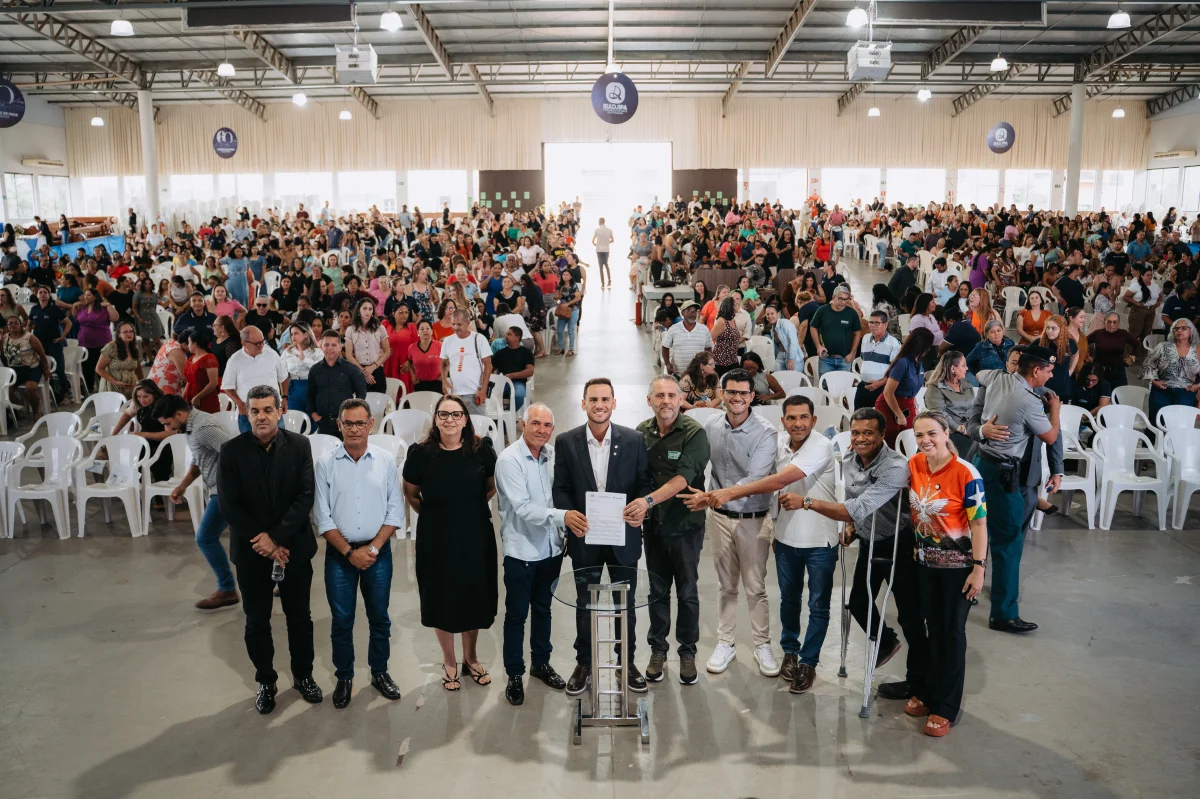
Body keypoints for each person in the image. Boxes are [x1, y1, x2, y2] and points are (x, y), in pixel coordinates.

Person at [690, 396, 838, 694]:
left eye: (804, 417)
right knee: (788, 600)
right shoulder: (779, 442)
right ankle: (789, 652)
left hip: (819, 540)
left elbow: (778, 481)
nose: (798, 423)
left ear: (814, 420)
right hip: (785, 537)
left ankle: (807, 662)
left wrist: (727, 493)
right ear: (783, 421)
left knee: (817, 605)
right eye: (791, 418)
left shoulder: (820, 446)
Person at [793, 407, 927, 703]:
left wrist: (807, 502)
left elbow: (858, 507)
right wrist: (853, 529)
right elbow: (855, 502)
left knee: (910, 615)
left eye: (868, 433)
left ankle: (920, 682)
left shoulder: (895, 466)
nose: (861, 439)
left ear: (882, 435)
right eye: (855, 433)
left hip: (898, 542)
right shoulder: (851, 459)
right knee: (857, 602)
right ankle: (886, 642)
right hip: (870, 540)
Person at [216, 385, 319, 715]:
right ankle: (266, 680)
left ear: (280, 411)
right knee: (256, 621)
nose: (261, 416)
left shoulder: (300, 445)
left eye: (268, 410)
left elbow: (305, 496)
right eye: (255, 410)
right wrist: (264, 541)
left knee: (300, 618)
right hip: (252, 552)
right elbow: (230, 505)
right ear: (247, 413)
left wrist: (275, 539)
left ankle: (303, 676)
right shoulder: (231, 451)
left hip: (293, 548)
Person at [552, 377, 655, 695]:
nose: (599, 405)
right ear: (583, 403)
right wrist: (569, 514)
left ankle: (627, 662)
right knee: (585, 604)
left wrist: (642, 507)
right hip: (585, 537)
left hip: (623, 536)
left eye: (605, 399)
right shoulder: (566, 442)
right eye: (593, 399)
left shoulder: (634, 440)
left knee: (626, 604)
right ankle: (584, 663)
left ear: (614, 403)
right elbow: (561, 488)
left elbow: (645, 483)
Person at [681, 368, 780, 677]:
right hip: (720, 518)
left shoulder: (766, 432)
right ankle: (726, 643)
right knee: (726, 586)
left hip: (753, 520)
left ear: (752, 396)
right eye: (732, 392)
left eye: (743, 393)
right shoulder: (712, 426)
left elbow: (755, 479)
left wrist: (711, 497)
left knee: (755, 587)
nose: (737, 398)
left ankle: (762, 645)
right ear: (722, 394)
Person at [402, 395, 499, 692]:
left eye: (456, 414)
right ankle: (449, 660)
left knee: (473, 593)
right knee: (440, 595)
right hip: (436, 536)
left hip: (475, 533)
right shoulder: (420, 454)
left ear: (465, 419)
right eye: (443, 414)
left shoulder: (481, 450)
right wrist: (435, 514)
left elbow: (491, 486)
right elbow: (411, 493)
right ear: (435, 419)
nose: (450, 420)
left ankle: (471, 657)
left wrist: (467, 508)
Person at [314, 399, 405, 709]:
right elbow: (322, 517)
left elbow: (395, 511)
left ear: (371, 425)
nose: (354, 429)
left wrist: (373, 548)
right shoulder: (325, 463)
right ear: (339, 425)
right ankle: (344, 677)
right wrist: (349, 552)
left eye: (360, 423)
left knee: (379, 617)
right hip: (340, 556)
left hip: (378, 553)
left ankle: (380, 672)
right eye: (348, 423)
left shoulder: (385, 461)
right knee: (342, 620)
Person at [966, 345, 1061, 634]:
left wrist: (983, 426)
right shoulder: (1028, 401)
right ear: (1036, 370)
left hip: (981, 465)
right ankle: (1004, 614)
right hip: (1003, 474)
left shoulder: (996, 377)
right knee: (1008, 543)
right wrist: (1056, 411)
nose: (1051, 375)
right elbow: (1051, 436)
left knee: (974, 533)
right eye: (1049, 370)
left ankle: (966, 592)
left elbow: (978, 376)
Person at [906, 411, 989, 737]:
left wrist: (979, 569)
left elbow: (979, 525)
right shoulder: (914, 464)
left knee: (951, 633)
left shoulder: (966, 473)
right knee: (931, 631)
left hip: (958, 569)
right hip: (924, 565)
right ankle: (927, 691)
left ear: (946, 434)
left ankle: (945, 706)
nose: (925, 440)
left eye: (932, 433)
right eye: (919, 435)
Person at [627, 376, 711, 686]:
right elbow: (635, 476)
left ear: (680, 399)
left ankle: (687, 652)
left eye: (671, 395)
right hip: (654, 527)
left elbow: (683, 478)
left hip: (684, 526)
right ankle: (658, 650)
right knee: (657, 590)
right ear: (649, 400)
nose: (666, 401)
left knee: (687, 591)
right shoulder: (641, 432)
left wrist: (647, 501)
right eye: (659, 395)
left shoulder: (694, 433)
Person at [494, 402, 572, 706]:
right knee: (516, 615)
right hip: (522, 551)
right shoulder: (509, 460)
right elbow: (524, 508)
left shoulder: (551, 455)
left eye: (547, 425)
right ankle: (515, 673)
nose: (541, 430)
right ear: (522, 424)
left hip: (551, 549)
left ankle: (541, 663)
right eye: (535, 423)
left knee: (543, 609)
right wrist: (565, 517)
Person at [153, 395, 239, 609]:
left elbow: (237, 454)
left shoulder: (203, 428)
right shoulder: (192, 427)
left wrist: (234, 489)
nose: (168, 428)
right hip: (222, 489)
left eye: (168, 423)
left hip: (227, 490)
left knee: (205, 537)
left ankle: (227, 589)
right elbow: (200, 459)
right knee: (249, 539)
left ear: (179, 414)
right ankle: (279, 578)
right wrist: (183, 486)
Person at [222, 326, 289, 434]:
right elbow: (227, 387)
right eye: (257, 343)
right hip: (249, 412)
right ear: (244, 343)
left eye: (262, 342)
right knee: (251, 443)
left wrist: (284, 397)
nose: (261, 346)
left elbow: (284, 377)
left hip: (273, 409)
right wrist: (240, 404)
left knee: (279, 441)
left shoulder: (272, 354)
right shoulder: (235, 360)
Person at [877, 328, 933, 447]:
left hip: (908, 404)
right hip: (890, 406)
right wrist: (899, 414)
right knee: (893, 443)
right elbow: (888, 393)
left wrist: (914, 403)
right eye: (928, 346)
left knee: (910, 442)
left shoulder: (918, 362)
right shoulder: (902, 363)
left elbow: (912, 386)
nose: (929, 349)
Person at [307, 329, 368, 437]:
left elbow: (361, 393)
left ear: (340, 347)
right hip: (323, 421)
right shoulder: (314, 370)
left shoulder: (352, 369)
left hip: (346, 422)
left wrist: (352, 415)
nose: (330, 348)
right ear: (321, 346)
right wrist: (314, 415)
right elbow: (310, 394)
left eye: (334, 345)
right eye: (326, 345)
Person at [1142, 318, 1200, 424]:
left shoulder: (1197, 350)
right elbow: (1147, 365)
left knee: (1179, 422)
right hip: (1162, 389)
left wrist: (1197, 386)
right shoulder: (1163, 347)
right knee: (1158, 420)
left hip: (1186, 390)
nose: (1179, 331)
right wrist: (1154, 381)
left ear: (1191, 331)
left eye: (1183, 328)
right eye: (1176, 329)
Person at [439, 309, 493, 414]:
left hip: (475, 393)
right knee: (456, 424)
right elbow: (444, 364)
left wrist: (483, 390)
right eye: (453, 324)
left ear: (468, 323)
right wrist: (444, 381)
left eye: (459, 324)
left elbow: (488, 365)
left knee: (476, 424)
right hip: (454, 394)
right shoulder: (447, 341)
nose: (455, 327)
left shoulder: (479, 339)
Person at [1, 315, 52, 417]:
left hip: (31, 368)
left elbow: (42, 354)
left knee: (30, 388)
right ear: (7, 325)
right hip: (15, 370)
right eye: (10, 323)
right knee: (5, 390)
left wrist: (46, 368)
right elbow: (2, 355)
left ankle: (36, 411)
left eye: (16, 323)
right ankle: (18, 410)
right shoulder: (4, 338)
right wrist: (8, 369)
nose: (13, 325)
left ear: (21, 325)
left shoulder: (29, 337)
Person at [924, 351, 975, 453]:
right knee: (972, 449)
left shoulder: (966, 385)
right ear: (953, 369)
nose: (967, 368)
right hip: (948, 432)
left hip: (968, 429)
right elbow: (939, 414)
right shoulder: (935, 387)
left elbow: (974, 408)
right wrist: (959, 428)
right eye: (964, 365)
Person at [809, 286, 862, 376]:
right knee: (825, 383)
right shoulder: (822, 310)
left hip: (844, 359)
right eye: (840, 299)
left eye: (846, 299)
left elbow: (858, 333)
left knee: (843, 384)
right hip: (825, 359)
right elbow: (813, 327)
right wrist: (818, 346)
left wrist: (852, 353)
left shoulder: (852, 313)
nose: (843, 302)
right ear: (833, 297)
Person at [856, 310, 902, 410]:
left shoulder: (893, 343)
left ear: (885, 325)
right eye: (871, 322)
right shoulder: (865, 338)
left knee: (878, 417)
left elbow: (896, 371)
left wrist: (879, 383)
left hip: (882, 388)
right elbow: (864, 359)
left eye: (877, 323)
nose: (873, 325)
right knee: (858, 415)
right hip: (863, 386)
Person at [343, 297, 390, 394]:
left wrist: (372, 367)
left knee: (379, 400)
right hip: (359, 370)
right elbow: (348, 355)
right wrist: (364, 372)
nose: (367, 311)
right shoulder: (351, 330)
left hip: (377, 368)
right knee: (361, 401)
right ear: (359, 310)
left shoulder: (380, 328)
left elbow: (387, 352)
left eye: (370, 309)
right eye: (364, 308)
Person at [661, 300, 713, 378]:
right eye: (689, 310)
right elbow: (665, 347)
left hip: (698, 375)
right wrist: (668, 364)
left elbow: (708, 349)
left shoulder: (704, 329)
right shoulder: (674, 329)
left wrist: (707, 365)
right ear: (683, 313)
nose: (693, 313)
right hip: (679, 374)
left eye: (695, 311)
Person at [1087, 312, 1138, 390]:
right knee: (1100, 393)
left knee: (1120, 393)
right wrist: (1087, 356)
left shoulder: (1123, 333)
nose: (1111, 325)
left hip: (1118, 370)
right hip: (1100, 370)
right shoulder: (1098, 333)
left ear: (1118, 323)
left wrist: (1132, 357)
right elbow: (1083, 343)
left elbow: (1137, 344)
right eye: (1109, 322)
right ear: (1104, 322)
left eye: (1115, 322)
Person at [281, 323, 321, 416]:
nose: (293, 337)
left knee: (312, 419)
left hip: (312, 387)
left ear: (306, 334)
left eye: (296, 333)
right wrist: (284, 395)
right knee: (293, 418)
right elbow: (282, 372)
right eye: (291, 334)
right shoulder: (287, 352)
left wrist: (304, 359)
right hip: (293, 388)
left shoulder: (317, 351)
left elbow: (320, 369)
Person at [95, 321, 143, 398]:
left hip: (130, 387)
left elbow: (138, 369)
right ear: (119, 334)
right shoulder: (111, 347)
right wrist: (114, 382)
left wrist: (142, 385)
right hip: (112, 386)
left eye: (131, 331)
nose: (129, 334)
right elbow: (99, 369)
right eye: (125, 332)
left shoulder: (134, 348)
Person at [491, 326, 534, 411]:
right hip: (502, 382)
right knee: (489, 396)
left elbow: (530, 371)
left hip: (518, 383)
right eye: (506, 334)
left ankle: (508, 414)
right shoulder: (500, 353)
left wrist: (512, 375)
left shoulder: (526, 353)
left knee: (519, 396)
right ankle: (498, 414)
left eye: (509, 334)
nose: (506, 336)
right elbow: (490, 368)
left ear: (517, 337)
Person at [182, 328, 221, 413]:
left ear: (195, 344)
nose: (188, 345)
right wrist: (184, 395)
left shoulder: (209, 359)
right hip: (190, 394)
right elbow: (189, 380)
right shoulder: (192, 358)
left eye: (189, 343)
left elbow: (213, 383)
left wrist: (198, 397)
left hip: (205, 397)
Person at [409, 319, 443, 394]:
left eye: (427, 328)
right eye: (422, 329)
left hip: (437, 383)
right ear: (418, 332)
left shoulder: (440, 345)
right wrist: (413, 375)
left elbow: (448, 361)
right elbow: (409, 362)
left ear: (432, 331)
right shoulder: (412, 347)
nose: (425, 331)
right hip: (419, 383)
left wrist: (444, 374)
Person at [592, 217, 614, 287]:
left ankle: (603, 283)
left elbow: (593, 241)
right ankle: (609, 280)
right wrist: (607, 242)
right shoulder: (609, 230)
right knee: (606, 265)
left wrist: (596, 244)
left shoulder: (597, 230)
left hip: (599, 249)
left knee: (600, 267)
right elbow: (612, 240)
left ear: (599, 222)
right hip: (606, 249)